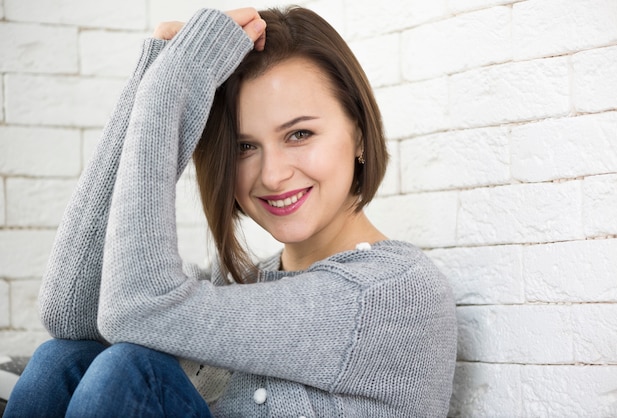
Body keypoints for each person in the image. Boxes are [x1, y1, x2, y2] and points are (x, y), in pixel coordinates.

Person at [5, 6, 457, 417]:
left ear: (359, 134)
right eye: (244, 147)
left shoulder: (392, 293)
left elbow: (135, 310)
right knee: (60, 359)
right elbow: (71, 315)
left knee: (130, 368)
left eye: (299, 134)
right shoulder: (238, 284)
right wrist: (146, 86)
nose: (273, 175)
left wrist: (170, 91)